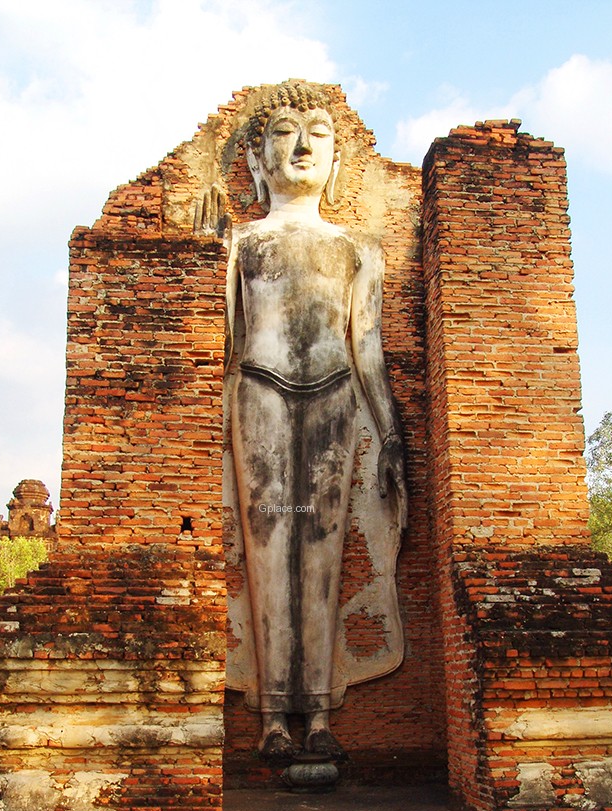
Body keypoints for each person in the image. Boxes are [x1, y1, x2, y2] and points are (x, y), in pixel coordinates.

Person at [225, 82, 406, 765]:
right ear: (256, 159)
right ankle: (274, 715)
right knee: (268, 550)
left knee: (323, 552)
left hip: (336, 393)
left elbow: (368, 348)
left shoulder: (358, 248)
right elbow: (226, 344)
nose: (302, 146)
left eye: (319, 134)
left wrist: (389, 433)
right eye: (284, 132)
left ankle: (322, 713)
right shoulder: (241, 242)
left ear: (336, 159)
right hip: (258, 389)